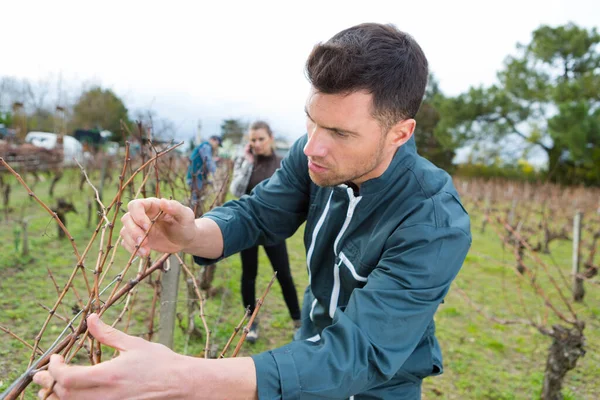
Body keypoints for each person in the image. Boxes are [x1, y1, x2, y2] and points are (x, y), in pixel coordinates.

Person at [34, 23, 471, 399]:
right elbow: (260, 214)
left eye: (339, 132)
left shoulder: (434, 220)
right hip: (305, 356)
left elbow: (361, 353)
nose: (313, 146)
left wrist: (178, 379)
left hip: (381, 387)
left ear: (400, 133)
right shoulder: (312, 155)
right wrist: (190, 233)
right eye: (311, 120)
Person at [229, 121, 302, 343]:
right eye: (253, 140)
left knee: (284, 275)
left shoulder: (282, 163)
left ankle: (298, 321)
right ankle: (251, 324)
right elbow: (236, 191)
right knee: (248, 275)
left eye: (261, 139)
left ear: (270, 138)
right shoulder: (245, 161)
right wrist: (248, 164)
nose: (257, 143)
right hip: (249, 228)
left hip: (273, 228)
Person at [186, 135, 221, 205]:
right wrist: (216, 173)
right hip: (196, 177)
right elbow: (208, 160)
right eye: (218, 144)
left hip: (197, 177)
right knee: (195, 201)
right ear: (213, 140)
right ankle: (193, 215)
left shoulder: (205, 147)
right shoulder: (206, 146)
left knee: (196, 200)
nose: (217, 147)